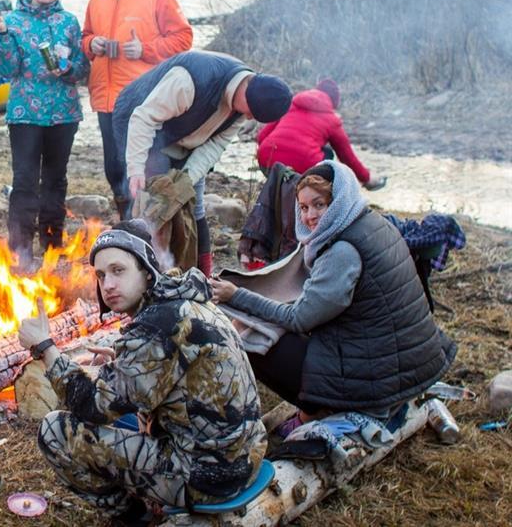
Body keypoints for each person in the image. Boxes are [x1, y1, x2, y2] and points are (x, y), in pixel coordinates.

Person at [17, 220, 266, 526]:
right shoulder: (181, 300)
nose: (107, 284)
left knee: (55, 431)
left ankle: (134, 518)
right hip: (245, 457)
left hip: (207, 478)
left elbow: (93, 408)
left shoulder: (156, 324)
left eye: (118, 270)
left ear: (147, 270)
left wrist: (46, 348)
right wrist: (122, 365)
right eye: (101, 275)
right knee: (127, 417)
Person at [211, 161, 456, 431]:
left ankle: (318, 410)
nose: (309, 216)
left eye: (319, 204)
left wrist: (236, 296)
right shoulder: (372, 222)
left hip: (376, 383)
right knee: (266, 324)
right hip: (404, 365)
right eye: (303, 208)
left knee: (251, 340)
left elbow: (300, 319)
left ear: (338, 200)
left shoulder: (342, 251)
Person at [113, 50, 292, 276]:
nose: (248, 118)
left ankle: (204, 279)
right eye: (251, 113)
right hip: (139, 120)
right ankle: (140, 275)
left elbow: (214, 145)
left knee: (193, 202)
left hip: (188, 137)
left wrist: (186, 180)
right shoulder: (190, 81)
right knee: (149, 204)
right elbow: (144, 118)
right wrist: (137, 169)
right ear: (246, 92)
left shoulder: (242, 106)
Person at [82, 0, 194, 218]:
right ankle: (126, 226)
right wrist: (91, 44)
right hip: (106, 102)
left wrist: (144, 49)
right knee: (114, 170)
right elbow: (86, 37)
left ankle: (150, 231)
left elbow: (183, 39)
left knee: (144, 172)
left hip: (142, 101)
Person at [0, 0, 89, 267]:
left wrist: (68, 68)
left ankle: (51, 248)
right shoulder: (13, 20)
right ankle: (20, 251)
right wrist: (4, 35)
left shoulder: (69, 22)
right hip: (25, 115)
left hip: (63, 114)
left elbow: (83, 70)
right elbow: (7, 70)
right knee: (24, 182)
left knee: (56, 181)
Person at [256, 77, 385, 190]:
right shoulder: (331, 119)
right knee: (328, 154)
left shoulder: (290, 105)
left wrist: (271, 154)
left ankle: (278, 190)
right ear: (333, 101)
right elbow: (347, 156)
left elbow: (262, 136)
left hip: (267, 162)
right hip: (304, 170)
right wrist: (366, 179)